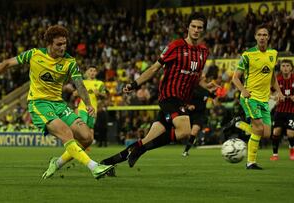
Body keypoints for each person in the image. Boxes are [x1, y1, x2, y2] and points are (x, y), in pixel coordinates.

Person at [0, 25, 113, 179]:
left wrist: (89, 104)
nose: (63, 47)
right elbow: (7, 63)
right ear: (49, 44)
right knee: (66, 133)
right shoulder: (34, 54)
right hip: (39, 104)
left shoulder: (69, 61)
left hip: (58, 104)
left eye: (65, 43)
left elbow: (79, 84)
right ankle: (94, 167)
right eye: (59, 44)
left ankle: (56, 163)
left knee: (87, 137)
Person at [101, 12, 218, 169]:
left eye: (200, 27)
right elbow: (155, 68)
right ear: (187, 28)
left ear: (203, 30)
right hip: (169, 96)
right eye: (193, 26)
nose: (196, 30)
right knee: (184, 131)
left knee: (148, 139)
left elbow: (196, 77)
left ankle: (107, 163)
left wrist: (206, 85)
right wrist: (135, 84)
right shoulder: (176, 46)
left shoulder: (204, 52)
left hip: (182, 99)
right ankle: (140, 150)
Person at [231, 24, 285, 170]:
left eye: (265, 35)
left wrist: (279, 92)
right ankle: (250, 162)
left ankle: (238, 124)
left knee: (266, 134)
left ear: (268, 37)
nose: (262, 37)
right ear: (255, 37)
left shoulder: (273, 53)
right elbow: (235, 78)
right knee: (259, 128)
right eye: (259, 35)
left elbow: (272, 75)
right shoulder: (247, 55)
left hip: (264, 99)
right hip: (250, 97)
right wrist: (243, 90)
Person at [270, 59, 294, 161]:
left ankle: (292, 151)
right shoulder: (277, 80)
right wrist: (274, 97)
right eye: (283, 66)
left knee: (290, 133)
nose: (285, 68)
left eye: (287, 66)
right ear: (280, 68)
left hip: (292, 111)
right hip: (280, 111)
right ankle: (275, 155)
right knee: (276, 132)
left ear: (291, 68)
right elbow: (269, 93)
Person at [182, 84, 213, 156]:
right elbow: (181, 99)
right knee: (185, 133)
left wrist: (214, 91)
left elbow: (214, 97)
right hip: (189, 113)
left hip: (200, 114)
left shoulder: (205, 90)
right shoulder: (191, 88)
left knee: (194, 131)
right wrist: (188, 106)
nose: (204, 77)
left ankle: (186, 151)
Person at [76, 65, 107, 129]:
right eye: (91, 70)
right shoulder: (82, 82)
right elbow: (76, 93)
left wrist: (99, 93)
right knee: (82, 127)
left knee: (90, 128)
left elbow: (105, 95)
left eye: (94, 71)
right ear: (87, 72)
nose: (92, 72)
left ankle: (90, 139)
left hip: (93, 109)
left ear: (96, 73)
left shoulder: (100, 83)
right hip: (82, 108)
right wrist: (76, 93)